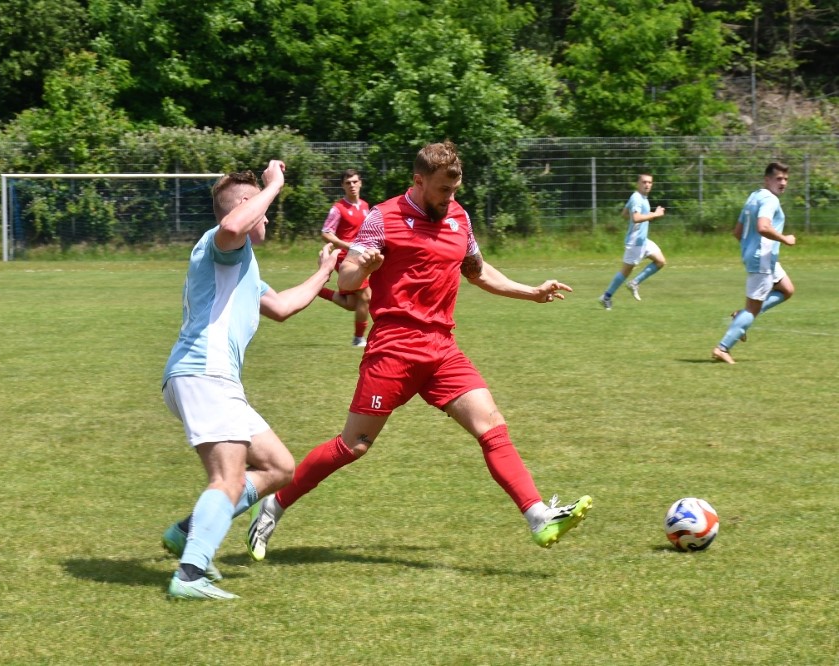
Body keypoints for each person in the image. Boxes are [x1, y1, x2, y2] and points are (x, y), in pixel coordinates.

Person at [247, 141, 592, 562]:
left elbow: (479, 272)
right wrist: (366, 266)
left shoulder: (459, 217)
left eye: (455, 189)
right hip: (394, 348)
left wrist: (531, 292)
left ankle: (538, 516)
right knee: (353, 445)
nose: (450, 198)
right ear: (418, 180)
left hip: (442, 349)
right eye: (443, 190)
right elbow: (350, 278)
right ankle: (275, 503)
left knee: (492, 426)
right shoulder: (382, 217)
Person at [161, 161, 339, 600]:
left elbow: (281, 307)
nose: (268, 216)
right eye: (262, 205)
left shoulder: (244, 261)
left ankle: (189, 531)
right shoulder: (223, 241)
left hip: (212, 379)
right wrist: (274, 183)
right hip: (204, 373)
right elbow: (231, 223)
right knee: (228, 477)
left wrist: (324, 271)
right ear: (247, 205)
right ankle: (189, 575)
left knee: (279, 466)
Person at [712, 162, 795, 364]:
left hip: (761, 257)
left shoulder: (754, 196)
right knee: (753, 309)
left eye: (785, 179)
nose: (782, 183)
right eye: (778, 179)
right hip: (763, 259)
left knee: (787, 289)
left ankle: (740, 316)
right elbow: (763, 227)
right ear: (767, 180)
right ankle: (723, 348)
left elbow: (737, 232)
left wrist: (750, 249)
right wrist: (785, 239)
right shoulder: (770, 200)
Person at [317, 168, 372, 346]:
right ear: (342, 185)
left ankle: (318, 290)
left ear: (361, 183)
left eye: (355, 182)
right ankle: (358, 339)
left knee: (351, 303)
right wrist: (347, 245)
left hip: (360, 255)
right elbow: (326, 233)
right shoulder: (338, 208)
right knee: (366, 296)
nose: (352, 185)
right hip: (345, 257)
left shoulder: (364, 206)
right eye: (348, 183)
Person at [598, 173, 666, 310]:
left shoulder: (641, 198)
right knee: (625, 272)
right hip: (635, 242)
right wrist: (654, 215)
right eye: (644, 182)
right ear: (638, 183)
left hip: (643, 240)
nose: (647, 185)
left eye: (650, 182)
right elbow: (635, 218)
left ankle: (635, 283)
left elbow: (625, 214)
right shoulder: (636, 198)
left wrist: (641, 220)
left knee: (660, 261)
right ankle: (606, 297)